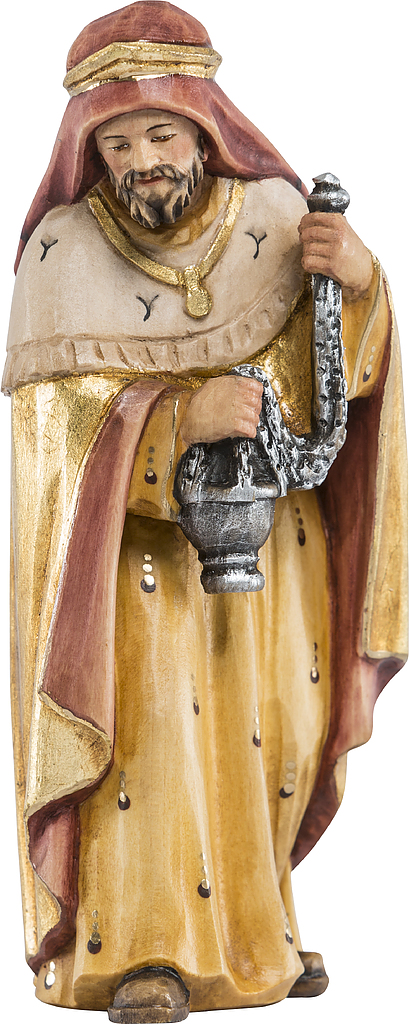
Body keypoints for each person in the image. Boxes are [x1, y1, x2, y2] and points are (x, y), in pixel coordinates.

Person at [4, 2, 407, 1021]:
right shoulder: (60, 255)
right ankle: (145, 952)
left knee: (267, 741)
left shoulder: (271, 217)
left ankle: (255, 931)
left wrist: (358, 287)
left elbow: (333, 391)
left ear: (204, 128)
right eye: (118, 143)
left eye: (161, 134)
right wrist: (174, 420)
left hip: (275, 555)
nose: (143, 162)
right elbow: (50, 439)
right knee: (151, 755)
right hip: (134, 572)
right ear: (89, 148)